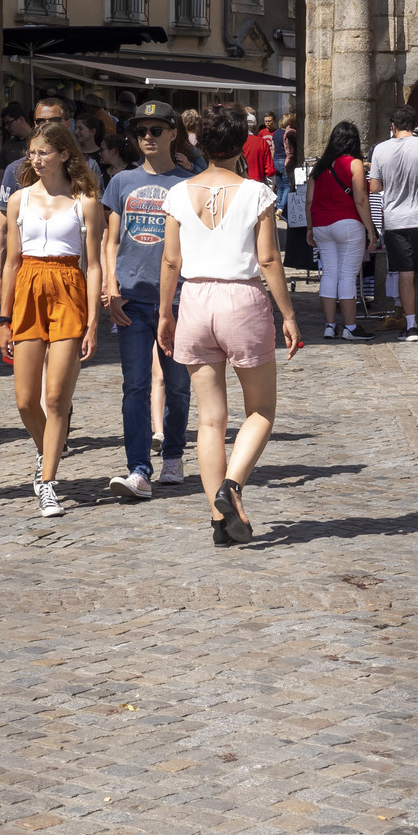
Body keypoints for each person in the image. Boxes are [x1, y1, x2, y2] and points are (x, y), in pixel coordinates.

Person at [160, 101, 302, 544]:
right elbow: (268, 258)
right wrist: (289, 313)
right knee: (260, 409)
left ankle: (220, 521)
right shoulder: (257, 192)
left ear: (198, 142)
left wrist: (166, 312)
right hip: (240, 298)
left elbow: (169, 259)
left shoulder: (179, 193)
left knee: (210, 421)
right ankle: (233, 485)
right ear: (242, 143)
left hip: (196, 298)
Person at [0, 120, 103, 518]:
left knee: (57, 397)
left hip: (67, 288)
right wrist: (3, 318)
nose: (35, 159)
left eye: (44, 152)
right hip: (28, 286)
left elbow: (93, 265)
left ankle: (48, 481)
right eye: (32, 152)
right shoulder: (19, 200)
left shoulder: (85, 202)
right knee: (26, 400)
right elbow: (11, 262)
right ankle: (48, 453)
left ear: (64, 155)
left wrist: (93, 320)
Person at [101, 99, 192, 501]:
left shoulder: (189, 183)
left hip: (178, 299)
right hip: (132, 298)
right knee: (135, 386)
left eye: (156, 130)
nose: (148, 138)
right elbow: (110, 239)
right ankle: (138, 468)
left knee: (177, 385)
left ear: (174, 133)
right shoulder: (122, 182)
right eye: (141, 132)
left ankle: (173, 454)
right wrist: (109, 285)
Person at [368, 99, 418, 341]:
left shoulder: (380, 149)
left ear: (393, 126)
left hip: (396, 221)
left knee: (405, 273)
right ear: (414, 125)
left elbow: (375, 186)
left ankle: (411, 326)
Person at [0, 95, 72, 294]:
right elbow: (2, 228)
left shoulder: (85, 169)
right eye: (40, 121)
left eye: (53, 121)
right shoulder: (15, 170)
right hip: (25, 274)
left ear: (67, 124)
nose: (45, 126)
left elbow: (99, 231)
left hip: (71, 273)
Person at [306, 120, 376, 340]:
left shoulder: (319, 167)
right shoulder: (354, 164)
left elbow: (308, 201)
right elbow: (361, 200)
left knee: (329, 274)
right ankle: (350, 327)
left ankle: (329, 325)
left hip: (321, 225)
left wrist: (309, 227)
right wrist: (370, 230)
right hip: (347, 224)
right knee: (347, 276)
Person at [242, 115, 275, 184]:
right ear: (255, 128)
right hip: (257, 183)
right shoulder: (261, 142)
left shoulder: (235, 142)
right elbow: (269, 170)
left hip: (238, 185)